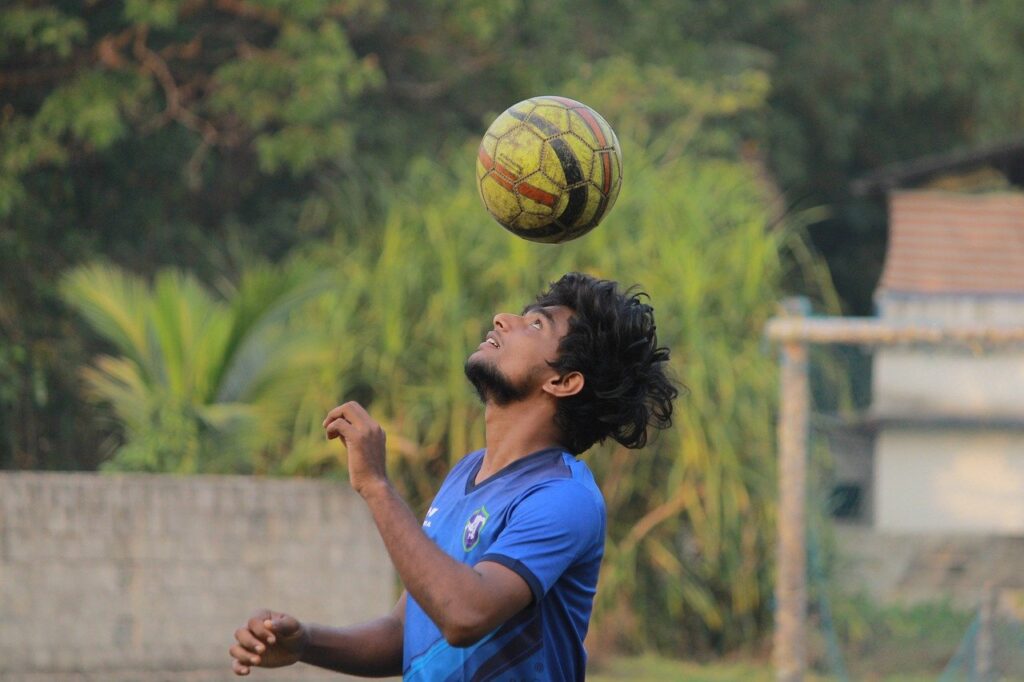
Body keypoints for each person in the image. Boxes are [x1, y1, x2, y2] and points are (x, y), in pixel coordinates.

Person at [229, 272, 677, 680]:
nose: (503, 319)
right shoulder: (466, 473)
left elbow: (463, 615)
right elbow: (404, 631)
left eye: (536, 325)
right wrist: (306, 641)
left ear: (563, 382)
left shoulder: (563, 497)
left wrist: (376, 486)